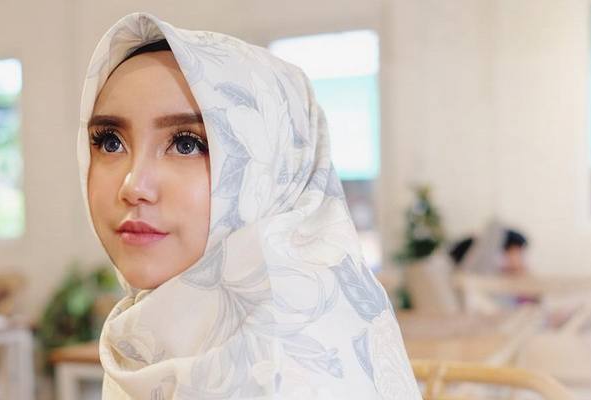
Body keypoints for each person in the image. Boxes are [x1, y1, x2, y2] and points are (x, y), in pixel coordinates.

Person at [77, 13, 420, 399]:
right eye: (110, 142)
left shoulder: (288, 372)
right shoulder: (149, 335)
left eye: (187, 144)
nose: (133, 186)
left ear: (272, 173)